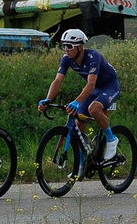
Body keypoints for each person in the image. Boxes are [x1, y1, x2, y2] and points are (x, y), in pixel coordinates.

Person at [40, 27, 124, 164]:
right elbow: (57, 81)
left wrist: (77, 101)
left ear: (79, 47)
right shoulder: (66, 59)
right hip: (95, 89)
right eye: (63, 46)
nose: (66, 49)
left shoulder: (93, 56)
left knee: (94, 109)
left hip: (109, 86)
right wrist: (48, 99)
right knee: (79, 122)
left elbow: (91, 84)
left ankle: (111, 139)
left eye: (69, 46)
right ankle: (83, 163)